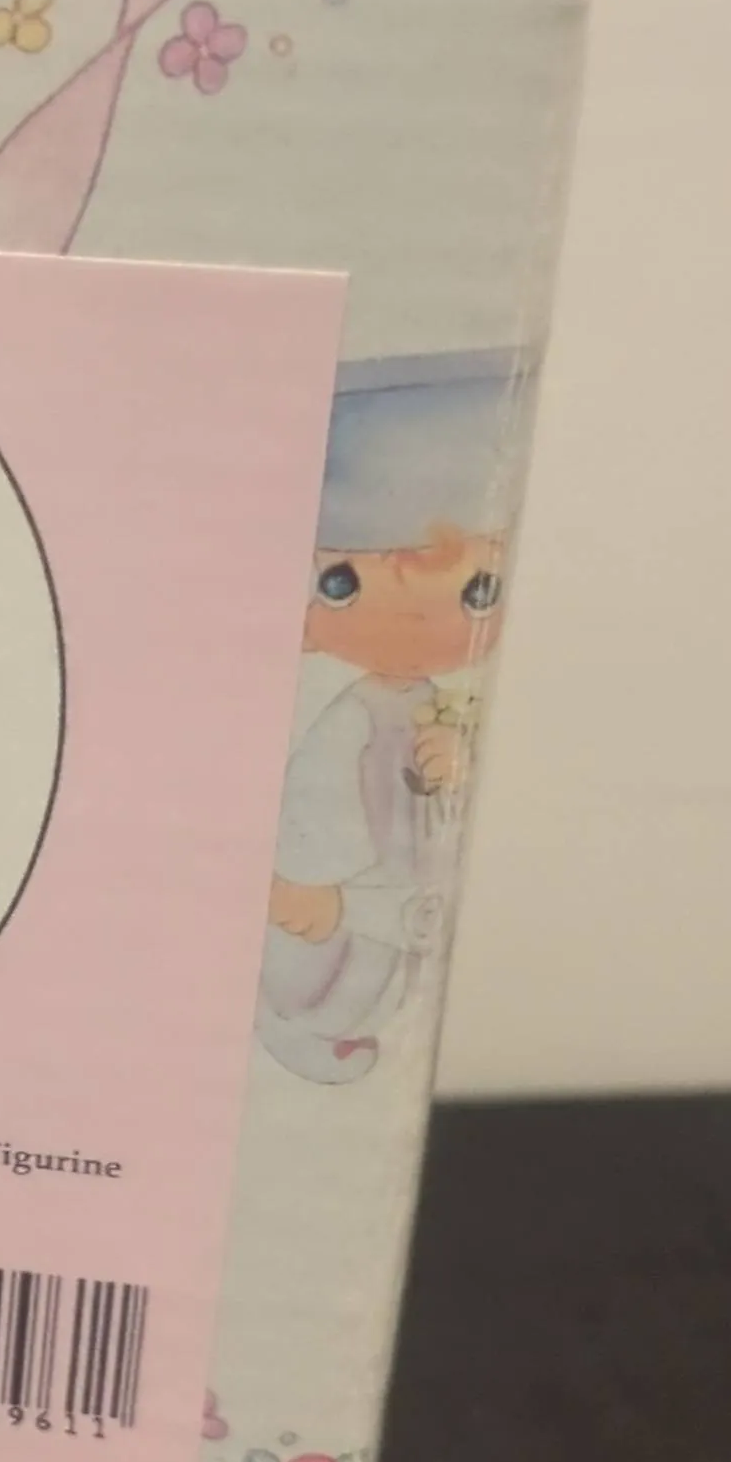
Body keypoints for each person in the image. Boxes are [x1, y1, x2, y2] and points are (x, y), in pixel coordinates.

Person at [259, 350, 526, 1083]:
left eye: (477, 591)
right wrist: (321, 900)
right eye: (344, 585)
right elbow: (311, 839)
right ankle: (309, 1021)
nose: (410, 621)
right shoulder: (343, 723)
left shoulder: (448, 713)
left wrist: (457, 767)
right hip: (351, 924)